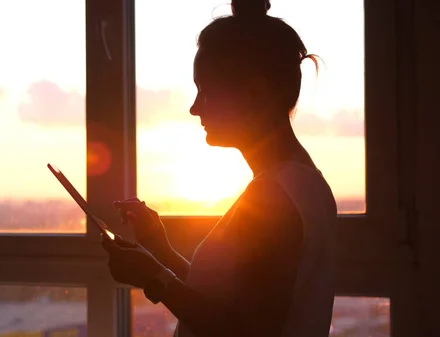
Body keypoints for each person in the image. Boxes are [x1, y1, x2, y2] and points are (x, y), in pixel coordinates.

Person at [102, 0, 337, 336]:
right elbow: (231, 304)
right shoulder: (300, 184)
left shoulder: (276, 197)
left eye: (206, 93)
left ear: (255, 94)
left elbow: (246, 329)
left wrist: (153, 278)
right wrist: (161, 252)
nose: (195, 108)